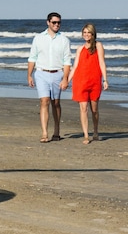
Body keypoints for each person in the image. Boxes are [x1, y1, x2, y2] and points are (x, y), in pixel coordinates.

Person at [26, 12, 71, 142]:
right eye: (54, 22)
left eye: (59, 23)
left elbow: (67, 62)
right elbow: (32, 58)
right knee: (44, 101)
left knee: (55, 103)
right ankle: (44, 133)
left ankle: (56, 130)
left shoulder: (64, 40)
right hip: (41, 73)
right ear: (48, 22)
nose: (57, 25)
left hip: (58, 74)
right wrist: (29, 75)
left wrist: (65, 78)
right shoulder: (38, 38)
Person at [67, 23, 108, 144]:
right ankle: (86, 135)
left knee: (94, 109)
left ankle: (95, 132)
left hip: (94, 81)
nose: (86, 35)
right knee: (83, 108)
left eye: (88, 32)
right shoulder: (80, 49)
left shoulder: (99, 46)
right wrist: (67, 81)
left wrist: (105, 79)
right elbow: (75, 67)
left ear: (93, 34)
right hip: (80, 82)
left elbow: (102, 63)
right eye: (84, 33)